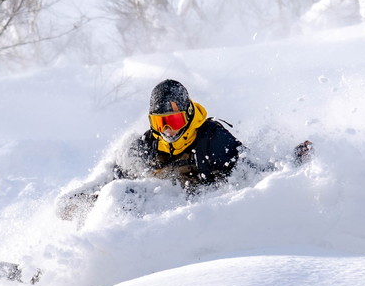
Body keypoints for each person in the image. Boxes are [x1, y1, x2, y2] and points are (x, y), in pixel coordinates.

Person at [56, 79, 310, 220]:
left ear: (188, 115)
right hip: (155, 215)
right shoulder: (148, 145)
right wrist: (84, 198)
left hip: (196, 215)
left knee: (128, 196)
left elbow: (253, 174)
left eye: (173, 121)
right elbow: (113, 176)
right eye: (160, 122)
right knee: (119, 194)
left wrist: (293, 163)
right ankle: (69, 258)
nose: (167, 131)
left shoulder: (213, 139)